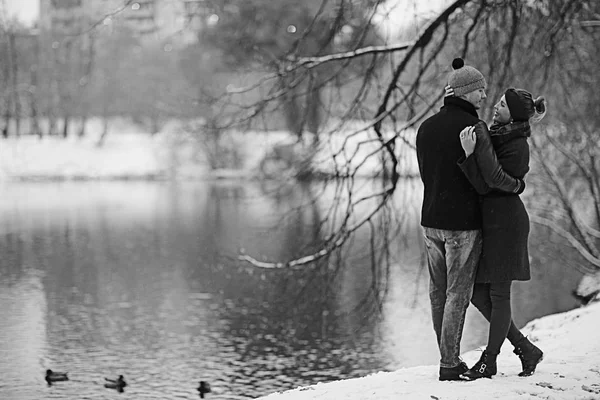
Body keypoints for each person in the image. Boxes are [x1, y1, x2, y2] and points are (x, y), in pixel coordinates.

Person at [416, 58, 524, 381]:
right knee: (457, 296)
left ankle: (448, 357)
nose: (483, 96)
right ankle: (449, 364)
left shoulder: (425, 128)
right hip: (462, 225)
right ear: (466, 92)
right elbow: (487, 178)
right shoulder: (473, 129)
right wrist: (516, 184)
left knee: (438, 293)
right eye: (480, 91)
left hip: (429, 222)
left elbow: (426, 175)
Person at [455, 88, 547, 380]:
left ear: (515, 115)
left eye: (504, 105)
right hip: (493, 221)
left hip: (507, 224)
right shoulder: (498, 135)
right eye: (500, 101)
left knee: (498, 293)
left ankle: (489, 361)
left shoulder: (518, 145)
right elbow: (485, 186)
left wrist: (480, 140)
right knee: (478, 293)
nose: (496, 106)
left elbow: (494, 179)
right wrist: (471, 154)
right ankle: (524, 348)